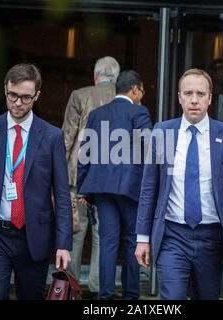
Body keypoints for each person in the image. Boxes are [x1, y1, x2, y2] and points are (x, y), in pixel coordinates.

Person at [135, 68, 223, 300]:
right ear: (179, 97)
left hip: (212, 238)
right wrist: (142, 237)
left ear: (210, 99)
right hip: (172, 236)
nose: (194, 100)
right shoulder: (162, 131)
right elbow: (148, 188)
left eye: (201, 94)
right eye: (188, 93)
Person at [0, 63, 72, 300]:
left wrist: (63, 244)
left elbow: (61, 193)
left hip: (34, 237)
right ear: (5, 90)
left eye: (25, 97)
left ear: (37, 95)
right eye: (12, 95)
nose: (18, 103)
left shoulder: (52, 136)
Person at [77, 70, 152, 300]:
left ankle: (105, 297)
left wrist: (83, 188)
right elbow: (149, 149)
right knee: (131, 242)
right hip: (131, 188)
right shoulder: (139, 112)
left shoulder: (98, 114)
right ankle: (131, 296)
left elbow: (85, 151)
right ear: (135, 89)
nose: (142, 95)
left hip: (102, 188)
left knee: (108, 243)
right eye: (142, 91)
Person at [62, 56, 120, 299]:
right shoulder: (124, 98)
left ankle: (71, 288)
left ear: (95, 76)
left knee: (75, 232)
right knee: (103, 236)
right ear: (116, 78)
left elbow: (67, 138)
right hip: (109, 180)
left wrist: (59, 177)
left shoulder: (79, 95)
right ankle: (98, 288)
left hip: (78, 177)